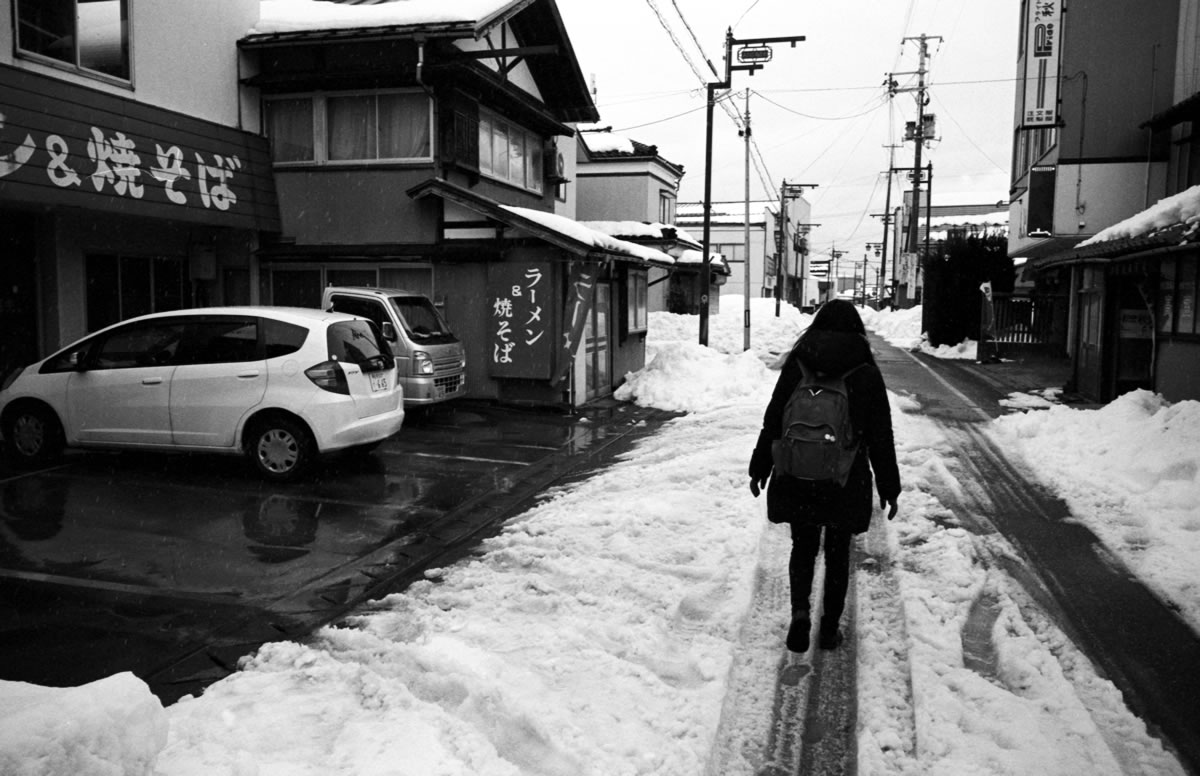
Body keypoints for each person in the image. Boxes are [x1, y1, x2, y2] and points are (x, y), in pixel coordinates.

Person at [748, 300, 901, 652]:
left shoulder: (799, 364)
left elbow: (774, 419)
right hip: (844, 478)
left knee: (802, 546)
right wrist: (889, 487)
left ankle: (800, 613)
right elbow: (880, 435)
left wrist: (760, 467)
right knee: (837, 551)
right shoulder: (864, 370)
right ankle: (829, 628)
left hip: (797, 472)